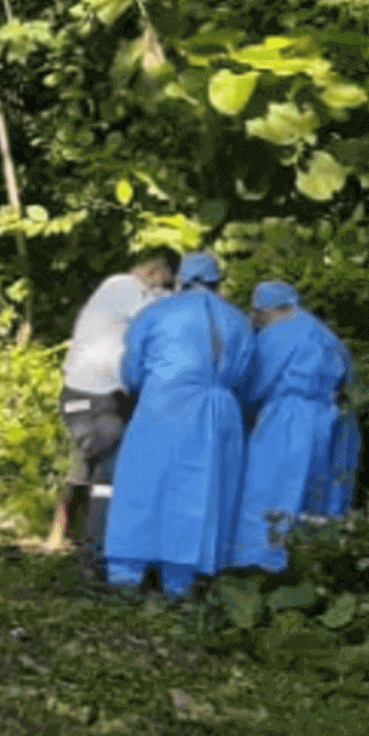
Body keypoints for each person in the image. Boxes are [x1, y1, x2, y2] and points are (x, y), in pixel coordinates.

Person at [102, 251, 256, 598]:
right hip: (219, 413)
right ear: (218, 281)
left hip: (164, 403)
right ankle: (180, 581)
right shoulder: (239, 320)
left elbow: (132, 368)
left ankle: (126, 574)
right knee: (202, 491)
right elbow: (245, 374)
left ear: (180, 279)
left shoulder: (156, 312)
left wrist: (149, 387)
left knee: (144, 485)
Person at [48, 248, 180, 559]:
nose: (164, 288)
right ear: (156, 271)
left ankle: (63, 536)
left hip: (89, 394)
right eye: (166, 281)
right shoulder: (123, 286)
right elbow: (156, 317)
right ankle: (98, 548)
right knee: (109, 469)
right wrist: (187, 299)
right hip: (94, 395)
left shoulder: (116, 290)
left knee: (84, 467)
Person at [230, 281, 353, 573]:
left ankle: (260, 562)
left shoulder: (278, 334)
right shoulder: (324, 332)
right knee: (316, 490)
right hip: (328, 418)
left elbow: (256, 384)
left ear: (263, 311)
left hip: (287, 417)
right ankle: (311, 565)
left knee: (269, 486)